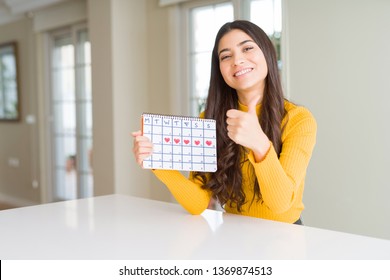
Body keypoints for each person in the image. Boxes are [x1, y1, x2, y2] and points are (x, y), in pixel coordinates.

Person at [132, 20, 317, 224]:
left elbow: (281, 204)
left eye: (247, 48)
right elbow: (198, 203)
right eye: (226, 56)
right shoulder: (210, 119)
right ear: (219, 69)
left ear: (267, 53)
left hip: (285, 237)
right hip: (233, 234)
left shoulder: (298, 119)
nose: (237, 61)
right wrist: (158, 161)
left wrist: (259, 144)